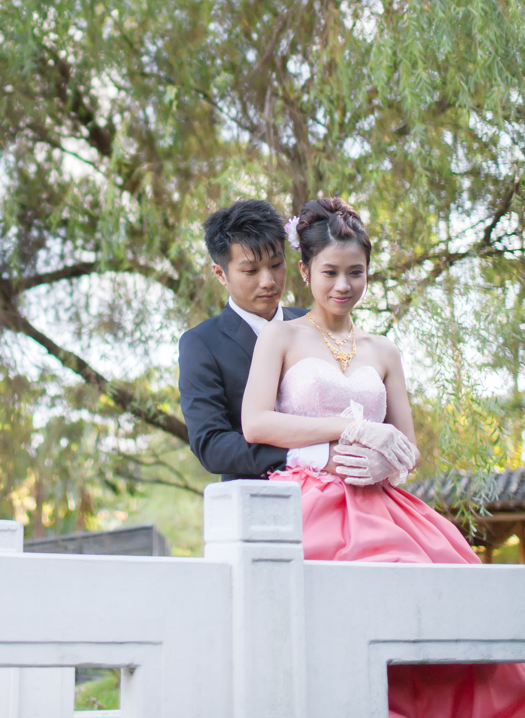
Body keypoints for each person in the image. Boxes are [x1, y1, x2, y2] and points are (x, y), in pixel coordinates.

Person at [241, 196, 525, 718]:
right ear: (305, 271)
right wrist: (349, 428)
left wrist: (387, 461)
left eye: (356, 272)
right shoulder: (281, 336)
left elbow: (407, 447)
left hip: (382, 502)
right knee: (335, 610)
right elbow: (256, 422)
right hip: (309, 498)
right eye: (330, 272)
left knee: (439, 591)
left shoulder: (383, 350)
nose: (343, 285)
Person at [178, 198, 308, 481]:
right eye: (250, 271)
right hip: (257, 503)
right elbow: (210, 444)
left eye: (276, 265)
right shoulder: (201, 344)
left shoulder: (312, 323)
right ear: (220, 274)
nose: (268, 281)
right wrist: (303, 457)